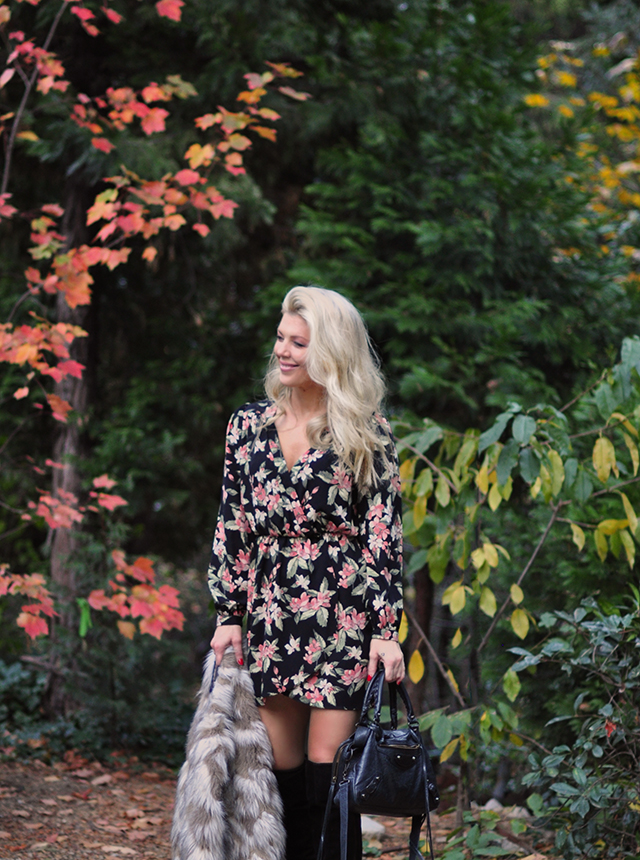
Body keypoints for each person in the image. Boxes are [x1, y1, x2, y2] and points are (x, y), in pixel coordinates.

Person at [208, 286, 405, 860]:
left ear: (332, 353)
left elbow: (383, 537)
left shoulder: (365, 432)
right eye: (281, 339)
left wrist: (386, 630)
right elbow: (233, 523)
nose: (284, 352)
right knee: (281, 776)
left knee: (332, 775)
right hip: (270, 613)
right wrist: (229, 615)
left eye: (300, 342)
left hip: (340, 616)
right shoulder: (246, 428)